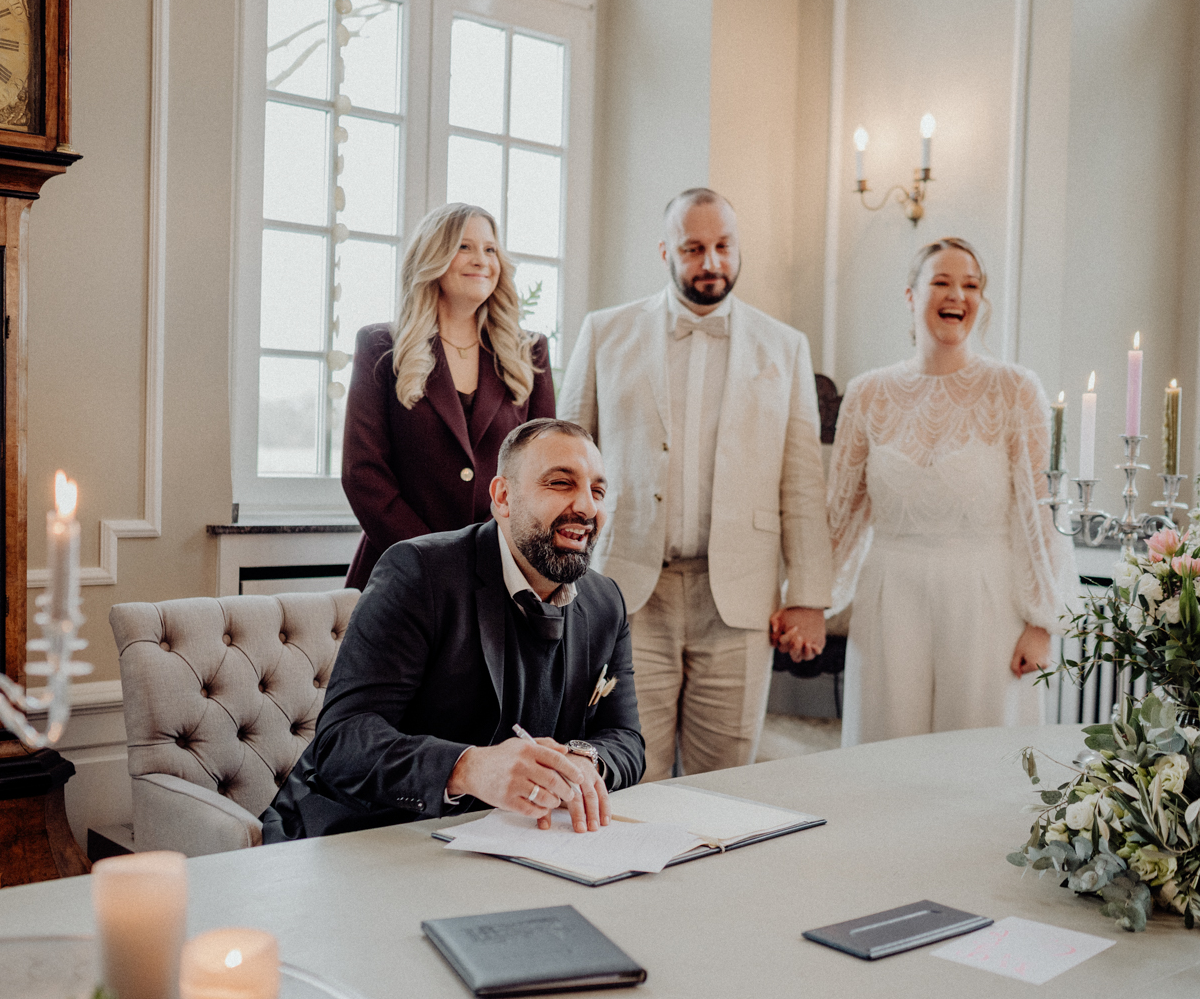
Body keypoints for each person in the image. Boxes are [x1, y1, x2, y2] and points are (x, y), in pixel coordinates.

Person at [557, 188, 832, 782]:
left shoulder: (785, 346)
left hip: (737, 596)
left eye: (723, 246)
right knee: (628, 775)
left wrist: (808, 596)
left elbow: (804, 482)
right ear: (665, 252)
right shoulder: (606, 333)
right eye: (694, 248)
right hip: (628, 593)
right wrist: (559, 575)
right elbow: (565, 468)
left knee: (729, 780)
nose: (711, 262)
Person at [262, 418, 644, 840]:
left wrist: (584, 761)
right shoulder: (418, 572)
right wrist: (468, 768)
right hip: (369, 834)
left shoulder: (607, 601)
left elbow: (626, 738)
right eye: (560, 483)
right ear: (503, 498)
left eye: (598, 491)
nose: (587, 508)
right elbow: (344, 741)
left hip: (516, 840)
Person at [827, 237, 1078, 745]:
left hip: (986, 596)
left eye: (971, 285)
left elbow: (1041, 510)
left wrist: (1042, 622)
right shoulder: (867, 393)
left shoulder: (1015, 389)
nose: (956, 295)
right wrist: (810, 601)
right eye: (941, 282)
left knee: (975, 755)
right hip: (890, 596)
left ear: (982, 300)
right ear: (910, 295)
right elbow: (840, 513)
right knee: (885, 755)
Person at [341, 202, 556, 590]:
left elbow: (541, 474)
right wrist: (433, 560)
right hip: (401, 573)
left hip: (499, 578)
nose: (482, 260)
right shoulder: (380, 346)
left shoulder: (531, 351)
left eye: (490, 249)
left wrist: (496, 560)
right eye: (464, 247)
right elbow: (363, 474)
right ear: (432, 256)